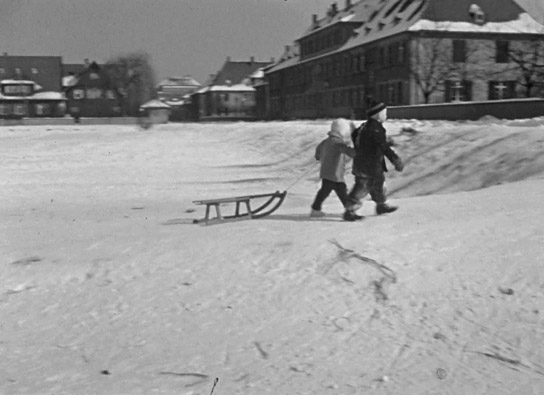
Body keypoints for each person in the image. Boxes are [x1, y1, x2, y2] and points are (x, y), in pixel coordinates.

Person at [343, 101, 404, 221]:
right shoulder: (375, 128)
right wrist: (395, 159)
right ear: (377, 115)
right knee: (362, 186)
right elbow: (383, 146)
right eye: (384, 113)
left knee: (378, 184)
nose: (386, 115)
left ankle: (381, 205)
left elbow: (356, 137)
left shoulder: (364, 126)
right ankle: (349, 211)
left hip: (365, 163)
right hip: (369, 165)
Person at [310, 118, 356, 217]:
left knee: (324, 191)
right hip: (335, 174)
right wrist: (356, 152)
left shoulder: (325, 141)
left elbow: (318, 152)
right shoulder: (338, 143)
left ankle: (315, 208)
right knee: (342, 191)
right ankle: (349, 210)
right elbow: (347, 150)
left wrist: (319, 156)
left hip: (326, 173)